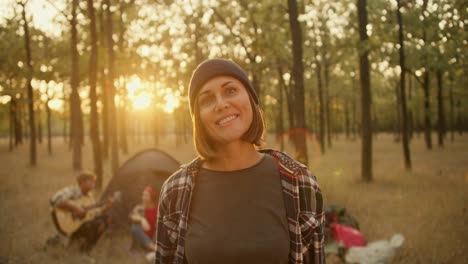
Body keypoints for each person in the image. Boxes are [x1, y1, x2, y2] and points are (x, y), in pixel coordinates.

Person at [154, 58, 325, 263]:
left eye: (231, 91)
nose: (221, 104)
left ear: (251, 99)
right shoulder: (175, 190)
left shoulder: (300, 182)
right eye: (207, 100)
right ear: (198, 118)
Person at [49, 171, 109, 253]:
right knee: (95, 224)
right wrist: (75, 208)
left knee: (102, 221)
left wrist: (106, 206)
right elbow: (54, 200)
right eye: (91, 181)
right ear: (82, 182)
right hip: (62, 220)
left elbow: (92, 213)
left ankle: (85, 250)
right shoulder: (72, 190)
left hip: (77, 223)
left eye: (94, 182)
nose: (93, 184)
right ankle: (65, 239)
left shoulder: (89, 196)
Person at [129, 186, 158, 252]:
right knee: (135, 228)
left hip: (153, 238)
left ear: (152, 198)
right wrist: (141, 219)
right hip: (142, 237)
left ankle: (152, 247)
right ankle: (153, 248)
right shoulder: (140, 207)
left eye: (146, 196)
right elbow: (131, 216)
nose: (143, 198)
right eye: (143, 195)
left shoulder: (157, 210)